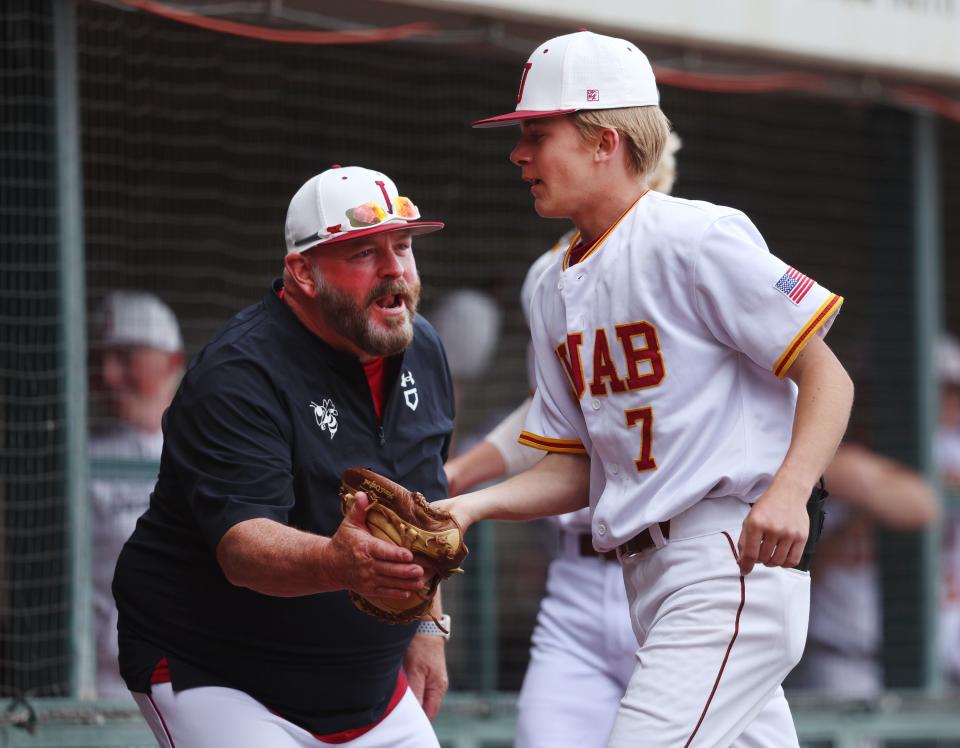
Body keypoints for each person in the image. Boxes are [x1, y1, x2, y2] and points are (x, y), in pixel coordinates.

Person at [440, 30, 854, 747]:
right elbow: (575, 468)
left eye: (539, 134)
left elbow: (827, 373)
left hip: (726, 558)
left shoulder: (694, 237)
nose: (519, 154)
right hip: (647, 575)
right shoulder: (550, 284)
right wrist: (468, 507)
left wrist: (790, 489)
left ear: (605, 140)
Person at [112, 165, 455, 748]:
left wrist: (426, 625)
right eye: (364, 253)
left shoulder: (421, 347)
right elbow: (243, 548)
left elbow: (423, 509)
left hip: (367, 687)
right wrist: (337, 563)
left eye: (402, 247)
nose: (395, 269)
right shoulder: (239, 372)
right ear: (303, 273)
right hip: (221, 676)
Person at [443, 131, 682, 747]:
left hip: (680, 568)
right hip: (578, 578)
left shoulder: (689, 253)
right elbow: (555, 415)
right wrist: (461, 477)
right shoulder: (551, 277)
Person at [88, 290, 185, 697]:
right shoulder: (80, 461)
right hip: (101, 688)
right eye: (102, 360)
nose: (110, 375)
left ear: (173, 362)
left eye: (127, 357)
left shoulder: (211, 448)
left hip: (199, 681)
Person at [786, 442, 939, 697]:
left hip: (880, 660)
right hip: (829, 655)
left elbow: (925, 506)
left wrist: (862, 507)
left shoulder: (863, 486)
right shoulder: (797, 485)